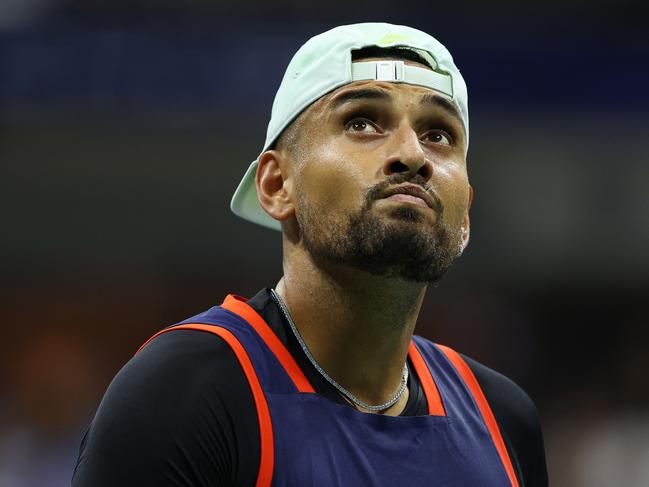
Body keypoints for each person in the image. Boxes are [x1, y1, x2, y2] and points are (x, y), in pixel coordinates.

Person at [72, 22, 548, 486]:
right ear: (278, 185)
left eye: (438, 134)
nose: (412, 154)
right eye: (362, 123)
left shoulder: (503, 418)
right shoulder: (186, 394)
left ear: (464, 211)